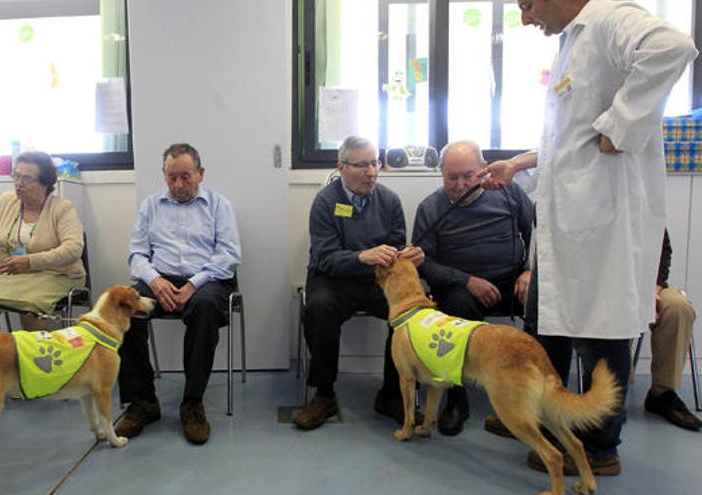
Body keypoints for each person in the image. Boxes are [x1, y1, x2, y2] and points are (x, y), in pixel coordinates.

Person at [479, 0, 698, 475]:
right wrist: (516, 164)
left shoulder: (609, 19)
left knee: (602, 335)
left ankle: (601, 449)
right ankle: (536, 416)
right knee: (541, 330)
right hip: (561, 231)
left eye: (528, 4)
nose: (525, 18)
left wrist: (621, 126)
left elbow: (673, 47)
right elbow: (568, 141)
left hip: (601, 228)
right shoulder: (569, 43)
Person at [294, 135, 425, 431]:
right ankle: (324, 394)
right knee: (319, 309)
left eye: (375, 163)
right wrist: (362, 256)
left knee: (409, 313)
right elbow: (325, 258)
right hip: (333, 277)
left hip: (377, 279)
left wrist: (408, 256)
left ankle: (391, 394)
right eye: (362, 165)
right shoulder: (325, 202)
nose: (372, 172)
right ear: (342, 167)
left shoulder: (389, 200)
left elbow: (395, 248)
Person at [115, 143, 241, 445]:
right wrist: (155, 280)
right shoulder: (150, 206)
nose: (178, 185)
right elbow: (137, 254)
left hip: (207, 278)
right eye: (171, 177)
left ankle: (192, 402)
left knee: (205, 308)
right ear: (164, 175)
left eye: (185, 177)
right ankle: (143, 401)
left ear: (200, 173)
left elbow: (229, 254)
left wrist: (193, 284)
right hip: (160, 277)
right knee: (124, 307)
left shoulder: (218, 205)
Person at [412, 140, 532, 436]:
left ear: (483, 170)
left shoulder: (509, 193)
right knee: (456, 308)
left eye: (468, 176)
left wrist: (530, 270)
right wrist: (466, 280)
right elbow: (424, 264)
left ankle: (530, 397)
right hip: (461, 287)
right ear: (441, 174)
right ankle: (456, 399)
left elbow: (538, 236)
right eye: (451, 178)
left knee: (543, 301)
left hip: (512, 281)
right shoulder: (430, 208)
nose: (460, 184)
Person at [0, 151, 86, 337]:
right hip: (12, 277)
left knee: (30, 307)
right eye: (16, 176)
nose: (19, 183)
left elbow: (73, 249)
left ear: (45, 182)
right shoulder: (7, 201)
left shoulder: (62, 208)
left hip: (57, 275)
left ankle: (34, 362)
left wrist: (30, 261)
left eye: (27, 178)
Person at [644, 230, 702, 431]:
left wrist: (655, 289)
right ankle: (613, 393)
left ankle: (662, 393)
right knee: (618, 312)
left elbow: (663, 250)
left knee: (678, 307)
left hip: (648, 285)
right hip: (606, 288)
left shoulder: (645, 202)